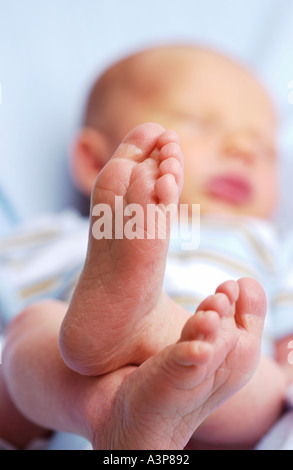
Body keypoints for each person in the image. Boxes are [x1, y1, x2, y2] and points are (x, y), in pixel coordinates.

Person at [1, 44, 292, 450]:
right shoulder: (62, 236)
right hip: (74, 412)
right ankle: (106, 409)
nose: (242, 150)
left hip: (218, 412)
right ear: (92, 161)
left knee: (257, 370)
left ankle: (153, 329)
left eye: (264, 149)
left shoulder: (270, 244)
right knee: (31, 328)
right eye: (199, 122)